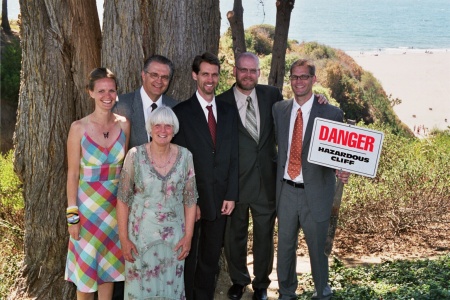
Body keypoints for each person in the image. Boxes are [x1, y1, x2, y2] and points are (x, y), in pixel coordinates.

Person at [272, 59, 349, 300]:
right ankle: (286, 293)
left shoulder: (331, 112)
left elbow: (341, 152)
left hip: (316, 192)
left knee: (317, 250)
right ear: (290, 80)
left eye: (304, 77)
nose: (299, 81)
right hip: (285, 191)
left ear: (314, 80)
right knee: (285, 248)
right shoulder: (279, 110)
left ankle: (322, 292)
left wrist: (343, 169)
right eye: (295, 77)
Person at [172, 51, 239, 300]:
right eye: (205, 74)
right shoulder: (180, 113)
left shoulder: (229, 111)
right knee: (188, 257)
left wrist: (231, 194)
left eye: (214, 74)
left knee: (210, 258)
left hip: (221, 200)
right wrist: (192, 202)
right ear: (194, 75)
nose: (210, 79)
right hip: (191, 202)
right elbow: (177, 164)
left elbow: (234, 155)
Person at [216, 52, 282, 300]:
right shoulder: (221, 102)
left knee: (264, 236)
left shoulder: (272, 96)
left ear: (258, 73)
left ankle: (262, 284)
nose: (248, 75)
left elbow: (293, 114)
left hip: (266, 181)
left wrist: (318, 99)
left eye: (252, 70)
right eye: (243, 70)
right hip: (235, 185)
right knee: (234, 236)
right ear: (235, 71)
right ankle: (239, 280)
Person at [116, 106, 198, 299]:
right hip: (139, 239)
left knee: (171, 289)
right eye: (158, 125)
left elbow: (191, 199)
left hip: (174, 240)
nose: (163, 130)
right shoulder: (135, 155)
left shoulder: (186, 156)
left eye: (168, 126)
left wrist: (188, 237)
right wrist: (124, 239)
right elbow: (122, 200)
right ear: (150, 128)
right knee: (140, 290)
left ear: (174, 129)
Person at [65, 67, 130, 300]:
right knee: (86, 276)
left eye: (111, 90)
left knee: (109, 272)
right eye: (101, 90)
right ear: (90, 92)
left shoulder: (124, 125)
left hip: (115, 211)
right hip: (87, 212)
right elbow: (72, 175)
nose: (107, 96)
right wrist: (73, 216)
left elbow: (123, 172)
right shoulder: (78, 128)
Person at [113, 54, 178, 149]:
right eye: (154, 75)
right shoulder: (119, 106)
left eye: (164, 77)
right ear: (143, 75)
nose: (159, 81)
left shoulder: (176, 108)